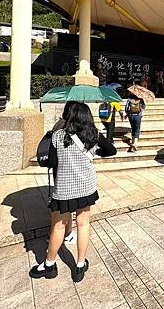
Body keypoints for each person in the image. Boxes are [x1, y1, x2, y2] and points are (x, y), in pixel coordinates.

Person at [29, 103, 116, 282]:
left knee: (59, 226)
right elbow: (111, 150)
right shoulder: (94, 134)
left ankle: (49, 264)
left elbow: (52, 161)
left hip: (64, 189)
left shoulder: (58, 136)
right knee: (83, 224)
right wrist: (95, 151)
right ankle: (79, 265)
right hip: (86, 187)